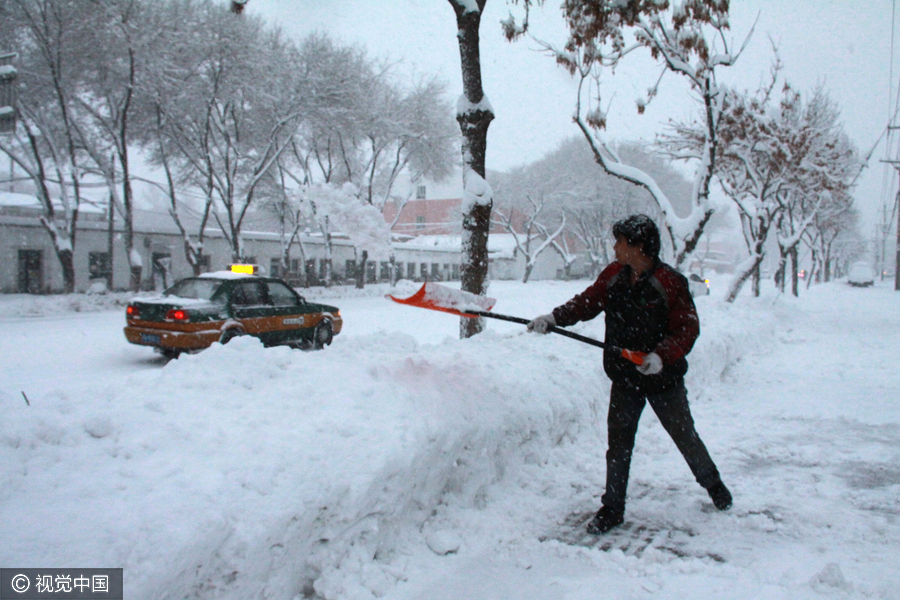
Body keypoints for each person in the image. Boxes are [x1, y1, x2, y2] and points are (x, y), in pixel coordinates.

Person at [528, 214, 732, 535]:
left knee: (684, 437)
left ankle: (714, 485)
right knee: (619, 444)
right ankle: (612, 508)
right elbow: (587, 303)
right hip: (625, 377)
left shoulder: (670, 282)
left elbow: (687, 328)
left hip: (663, 381)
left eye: (620, 241)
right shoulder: (613, 275)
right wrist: (554, 318)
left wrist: (660, 357)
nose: (614, 246)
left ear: (637, 246)